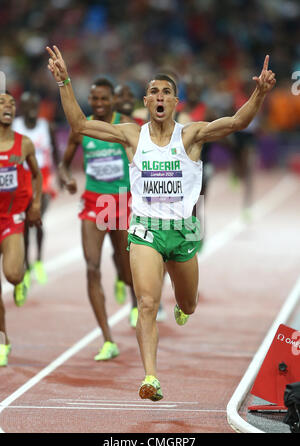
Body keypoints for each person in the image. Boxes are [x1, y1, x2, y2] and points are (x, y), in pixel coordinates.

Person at [46, 45, 276, 400]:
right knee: (147, 304)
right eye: (154, 90)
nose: (159, 96)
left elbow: (236, 122)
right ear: (146, 100)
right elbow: (79, 124)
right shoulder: (130, 135)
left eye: (166, 92)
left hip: (183, 233)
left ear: (175, 102)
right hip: (145, 231)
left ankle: (184, 308)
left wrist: (259, 93)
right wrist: (64, 82)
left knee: (188, 304)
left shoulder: (191, 135)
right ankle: (151, 377)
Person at [59, 77, 138, 361]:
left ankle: (131, 297)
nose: (100, 104)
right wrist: (67, 179)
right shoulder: (82, 128)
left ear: (114, 101)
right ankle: (107, 339)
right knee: (92, 267)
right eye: (95, 99)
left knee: (128, 267)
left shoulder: (125, 126)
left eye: (105, 99)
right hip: (94, 203)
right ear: (89, 101)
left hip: (121, 201)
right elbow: (64, 165)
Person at [113, 83, 167, 323]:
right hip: (112, 194)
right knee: (118, 251)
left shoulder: (138, 123)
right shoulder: (109, 123)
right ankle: (122, 277)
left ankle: (142, 301)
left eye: (129, 95)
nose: (125, 98)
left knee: (138, 245)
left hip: (137, 196)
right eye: (120, 95)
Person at [0, 91, 42, 366]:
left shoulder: (24, 144)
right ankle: (3, 340)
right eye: (2, 103)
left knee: (13, 275)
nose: (8, 107)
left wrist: (36, 202)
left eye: (11, 104)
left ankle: (21, 274)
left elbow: (36, 175)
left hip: (12, 216)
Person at [12, 92, 60, 288]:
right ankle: (26, 264)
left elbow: (55, 151)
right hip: (21, 178)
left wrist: (61, 174)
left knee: (38, 219)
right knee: (23, 226)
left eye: (34, 104)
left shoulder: (45, 126)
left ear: (38, 106)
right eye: (26, 104)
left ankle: (38, 260)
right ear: (21, 107)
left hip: (43, 178)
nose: (31, 108)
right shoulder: (14, 127)